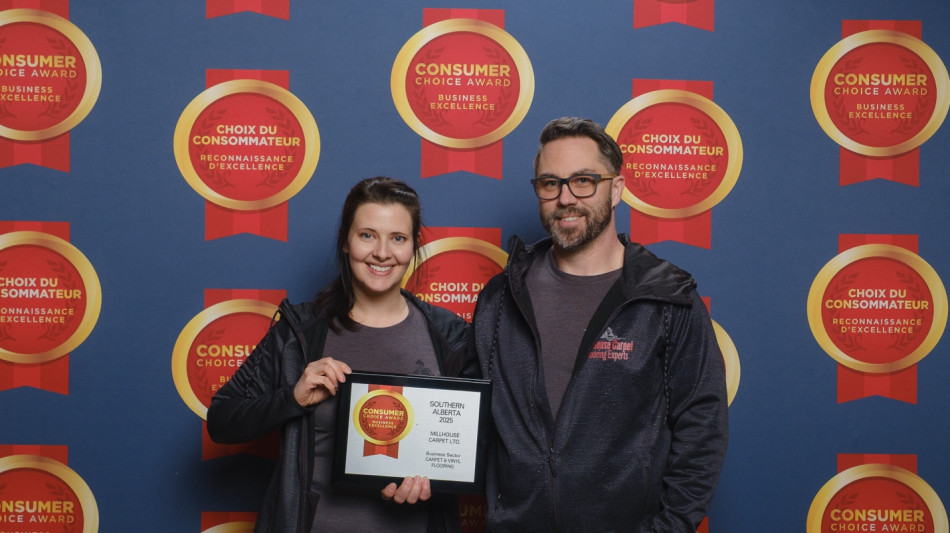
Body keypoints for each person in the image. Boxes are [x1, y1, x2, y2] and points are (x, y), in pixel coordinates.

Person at [471, 117, 729, 532]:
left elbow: (703, 429)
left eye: (583, 181)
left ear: (617, 189)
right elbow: (466, 411)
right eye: (550, 183)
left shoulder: (666, 299)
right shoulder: (501, 297)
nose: (565, 198)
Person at [207, 177, 476, 533]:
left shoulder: (449, 337)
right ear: (346, 242)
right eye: (367, 235)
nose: (382, 252)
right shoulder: (299, 332)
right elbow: (222, 421)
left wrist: (435, 481)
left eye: (398, 238)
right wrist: (292, 398)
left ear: (413, 246)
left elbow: (471, 448)